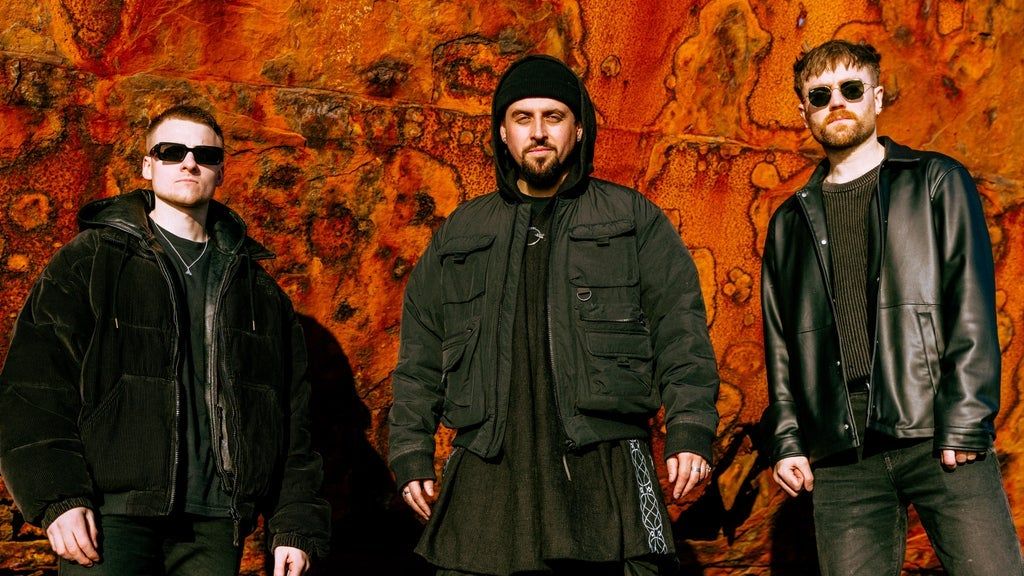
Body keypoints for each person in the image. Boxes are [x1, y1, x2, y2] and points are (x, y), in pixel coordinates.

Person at [387, 54, 720, 575]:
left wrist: (691, 430)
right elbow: (420, 352)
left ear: (578, 128)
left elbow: (681, 331)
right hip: (489, 466)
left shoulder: (632, 218)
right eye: (523, 118)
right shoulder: (462, 231)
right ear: (503, 132)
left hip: (603, 460)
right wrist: (410, 451)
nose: (538, 132)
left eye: (553, 117)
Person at [0, 105, 330, 575]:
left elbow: (292, 418)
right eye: (172, 151)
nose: (189, 163)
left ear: (220, 171)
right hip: (110, 518)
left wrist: (294, 524)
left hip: (215, 524)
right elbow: (33, 385)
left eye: (205, 155)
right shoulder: (90, 260)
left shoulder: (258, 291)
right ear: (147, 165)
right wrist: (58, 496)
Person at [761, 39, 1024, 575]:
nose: (837, 102)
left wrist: (965, 419)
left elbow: (970, 305)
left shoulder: (936, 180)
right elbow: (781, 345)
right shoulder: (788, 223)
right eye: (820, 95)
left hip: (937, 433)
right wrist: (788, 442)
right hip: (841, 454)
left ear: (877, 98)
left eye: (851, 89)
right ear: (804, 111)